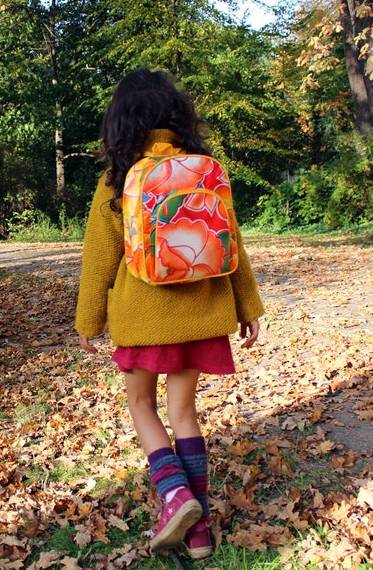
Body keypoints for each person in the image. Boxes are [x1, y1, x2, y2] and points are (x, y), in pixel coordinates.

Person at [75, 68, 264, 559]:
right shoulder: (205, 170)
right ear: (176, 114)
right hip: (202, 312)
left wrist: (89, 320)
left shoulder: (118, 179)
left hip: (143, 317)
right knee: (184, 413)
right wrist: (248, 307)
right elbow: (233, 244)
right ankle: (198, 536)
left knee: (142, 406)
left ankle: (175, 496)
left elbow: (100, 257)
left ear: (122, 121)